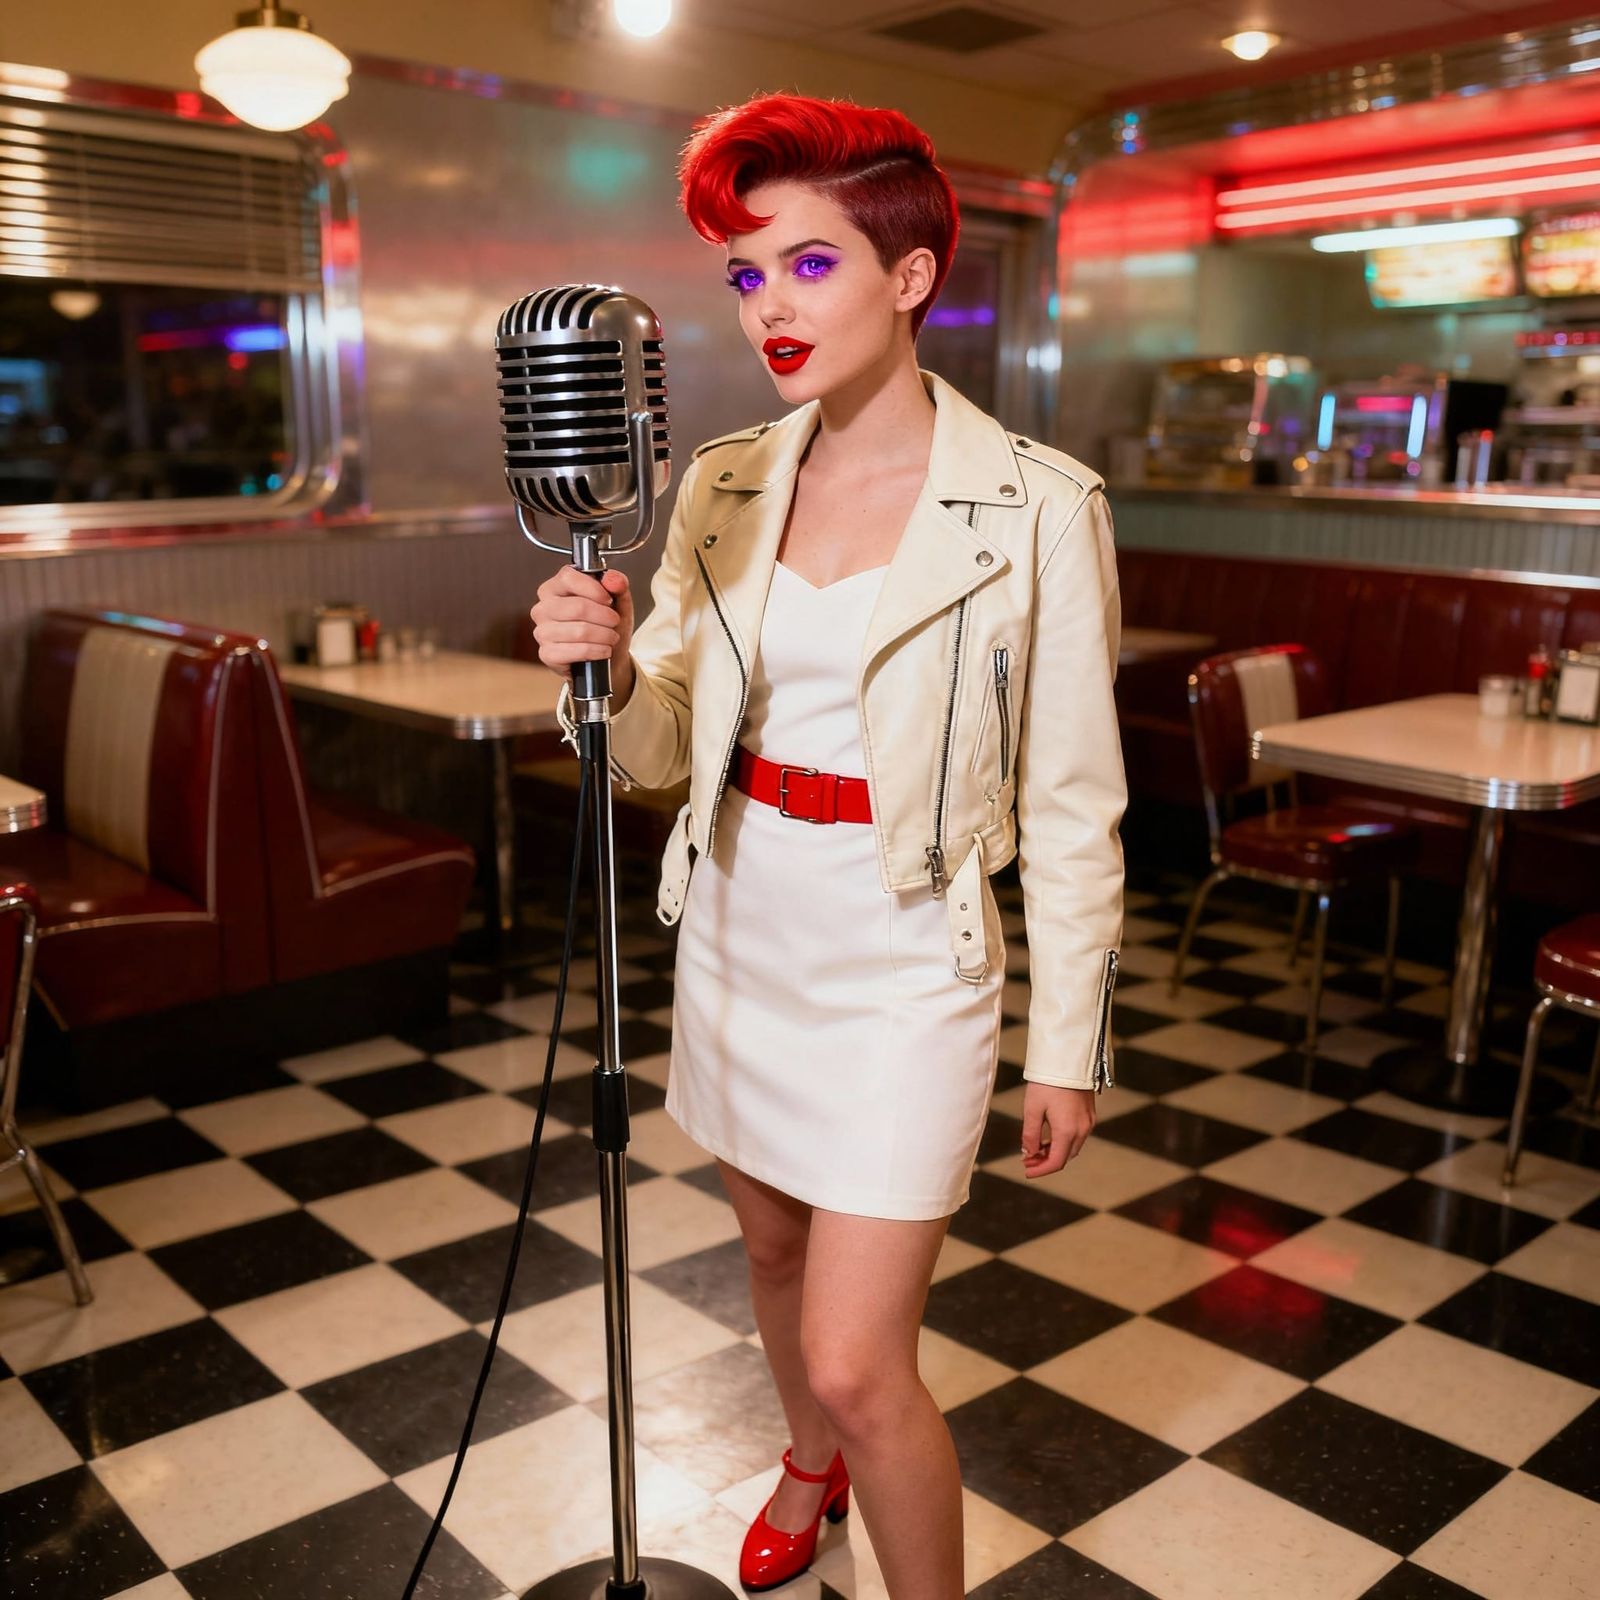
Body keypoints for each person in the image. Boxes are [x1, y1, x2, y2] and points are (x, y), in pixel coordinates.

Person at [532, 91, 1126, 1599]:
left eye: (806, 265)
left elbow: (1073, 799)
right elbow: (667, 751)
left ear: (909, 276)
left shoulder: (1040, 507)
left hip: (904, 956)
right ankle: (806, 1467)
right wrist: (596, 674)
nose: (768, 308)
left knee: (868, 1365)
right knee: (778, 1267)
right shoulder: (724, 483)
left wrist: (1073, 1044)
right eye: (745, 275)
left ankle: (874, 1505)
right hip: (743, 918)